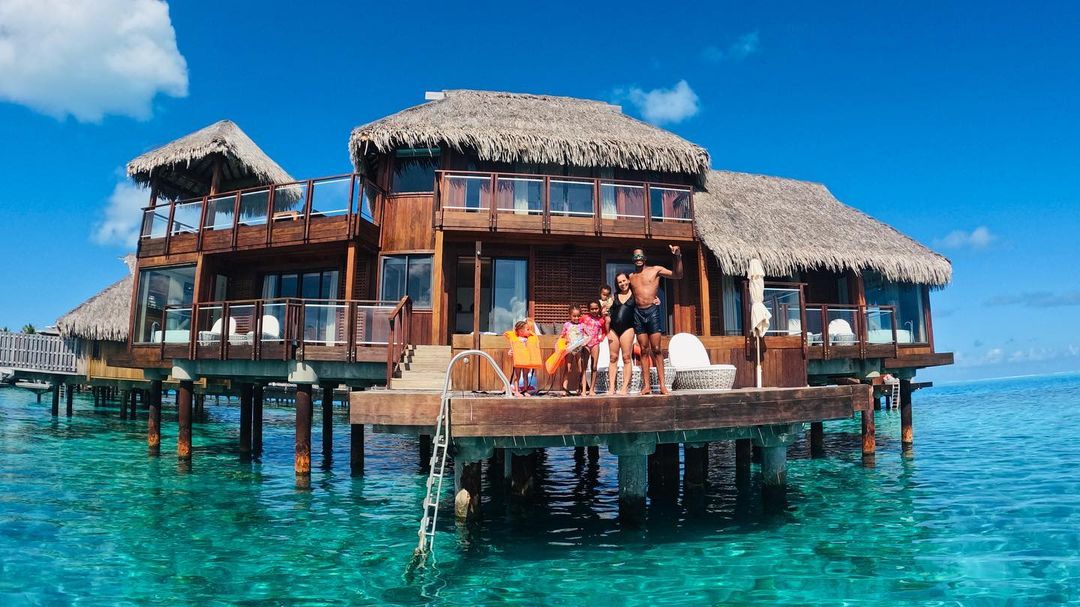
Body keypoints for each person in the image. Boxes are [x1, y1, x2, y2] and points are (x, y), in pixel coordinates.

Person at [628, 245, 683, 395]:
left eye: (640, 256)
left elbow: (678, 275)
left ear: (645, 258)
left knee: (657, 349)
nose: (638, 259)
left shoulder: (655, 270)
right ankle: (646, 386)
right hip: (638, 313)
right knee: (643, 350)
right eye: (635, 257)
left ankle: (662, 385)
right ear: (633, 260)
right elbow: (625, 295)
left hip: (652, 312)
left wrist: (678, 256)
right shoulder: (631, 277)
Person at [606, 273, 636, 395]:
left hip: (628, 328)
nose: (622, 284)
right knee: (613, 358)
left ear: (628, 280)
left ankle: (624, 387)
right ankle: (611, 387)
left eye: (624, 281)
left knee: (626, 357)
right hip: (613, 329)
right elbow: (605, 309)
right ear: (617, 284)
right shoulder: (614, 296)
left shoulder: (635, 295)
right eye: (620, 282)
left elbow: (646, 300)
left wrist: (656, 300)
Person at [505, 319, 541, 397]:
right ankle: (517, 391)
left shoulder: (530, 339)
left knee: (525, 376)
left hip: (527, 360)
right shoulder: (516, 339)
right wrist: (510, 352)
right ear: (521, 331)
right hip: (519, 360)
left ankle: (525, 390)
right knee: (517, 376)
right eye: (527, 329)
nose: (529, 331)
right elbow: (512, 349)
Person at [559, 305, 588, 395]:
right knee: (567, 369)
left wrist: (585, 342)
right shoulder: (567, 325)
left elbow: (589, 335)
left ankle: (581, 389)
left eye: (578, 316)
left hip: (579, 349)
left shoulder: (582, 325)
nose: (576, 318)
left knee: (581, 369)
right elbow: (562, 335)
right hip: (570, 349)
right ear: (570, 315)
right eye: (574, 316)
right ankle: (564, 389)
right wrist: (563, 340)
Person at [582, 300, 607, 396]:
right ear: (589, 309)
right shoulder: (584, 317)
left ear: (599, 309)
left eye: (596, 308)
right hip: (586, 343)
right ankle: (584, 389)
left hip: (595, 343)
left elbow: (604, 331)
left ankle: (592, 389)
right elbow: (578, 326)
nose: (594, 311)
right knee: (584, 366)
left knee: (594, 366)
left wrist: (601, 338)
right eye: (592, 309)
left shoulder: (601, 320)